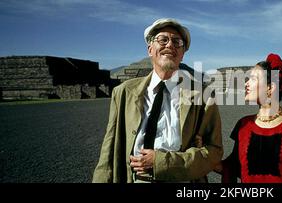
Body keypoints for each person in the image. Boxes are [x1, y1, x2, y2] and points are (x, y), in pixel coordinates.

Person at [92, 18, 223, 183]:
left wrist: (161, 162)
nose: (170, 45)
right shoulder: (124, 92)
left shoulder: (202, 95)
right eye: (163, 40)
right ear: (150, 49)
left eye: (177, 42)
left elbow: (214, 150)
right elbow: (108, 150)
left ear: (182, 54)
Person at [218, 53, 282, 183]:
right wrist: (203, 155)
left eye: (253, 79)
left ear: (270, 87)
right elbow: (231, 167)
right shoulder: (243, 124)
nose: (246, 84)